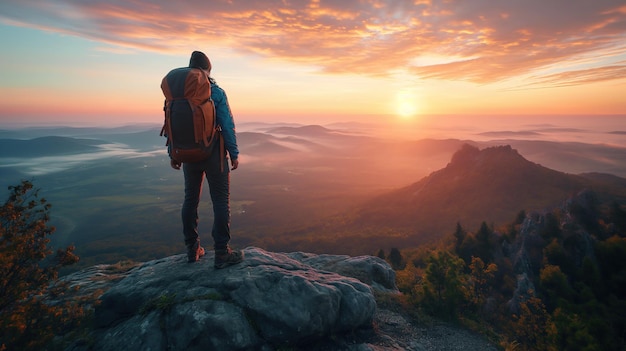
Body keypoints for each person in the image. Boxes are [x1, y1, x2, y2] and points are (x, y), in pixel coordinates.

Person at [170, 50, 244, 269]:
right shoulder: (217, 92)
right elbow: (227, 124)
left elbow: (172, 125)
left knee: (190, 199)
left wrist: (173, 153)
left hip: (188, 153)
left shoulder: (179, 95)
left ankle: (192, 249)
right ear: (208, 70)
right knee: (220, 201)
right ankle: (222, 253)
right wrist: (234, 153)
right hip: (214, 153)